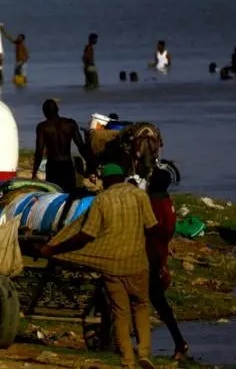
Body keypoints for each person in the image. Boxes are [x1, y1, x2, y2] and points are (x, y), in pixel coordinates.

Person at [39, 163, 158, 369]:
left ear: (107, 180)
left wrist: (55, 248)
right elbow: (152, 228)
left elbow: (87, 235)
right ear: (122, 177)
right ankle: (145, 353)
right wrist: (155, 258)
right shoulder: (140, 196)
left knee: (120, 313)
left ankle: (128, 361)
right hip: (138, 264)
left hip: (112, 267)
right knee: (140, 307)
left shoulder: (103, 199)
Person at [146, 167, 189, 360]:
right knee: (159, 302)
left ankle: (177, 342)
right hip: (159, 256)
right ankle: (179, 342)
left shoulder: (154, 203)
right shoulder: (167, 203)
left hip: (150, 257)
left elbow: (150, 229)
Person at [32, 99, 90, 193]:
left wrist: (34, 171)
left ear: (44, 112)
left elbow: (39, 150)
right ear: (57, 109)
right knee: (69, 193)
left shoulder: (42, 127)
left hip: (53, 166)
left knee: (53, 194)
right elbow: (81, 146)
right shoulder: (70, 123)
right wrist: (90, 164)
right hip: (67, 164)